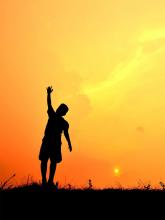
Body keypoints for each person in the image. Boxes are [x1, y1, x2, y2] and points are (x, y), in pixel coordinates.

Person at [39, 86, 72, 187]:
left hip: (54, 143)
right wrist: (48, 94)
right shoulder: (53, 115)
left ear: (63, 113)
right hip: (49, 141)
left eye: (63, 110)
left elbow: (66, 134)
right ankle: (45, 180)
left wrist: (69, 143)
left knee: (52, 162)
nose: (62, 111)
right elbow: (49, 104)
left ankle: (49, 181)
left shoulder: (63, 122)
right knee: (45, 160)